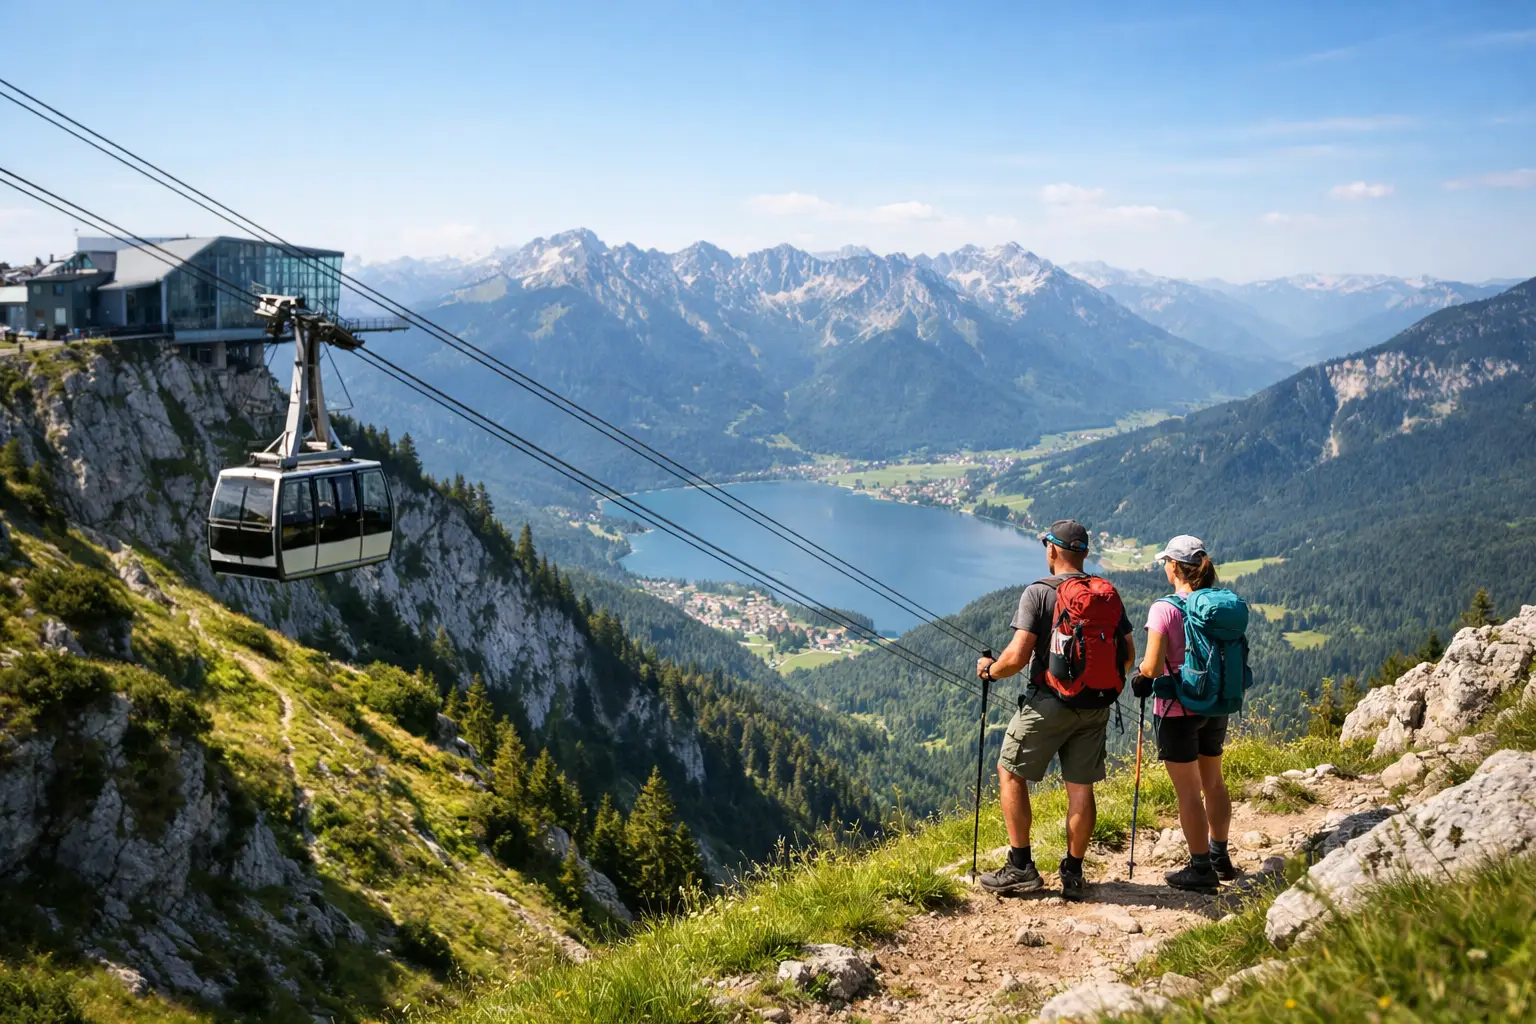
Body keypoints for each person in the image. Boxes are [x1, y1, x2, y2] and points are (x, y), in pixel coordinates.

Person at [977, 519, 1135, 901]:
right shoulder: (1105, 595)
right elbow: (1128, 656)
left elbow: (1017, 657)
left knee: (1010, 771)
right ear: (1084, 553)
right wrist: (1093, 684)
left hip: (1049, 703)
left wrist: (990, 670)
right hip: (1096, 705)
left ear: (1051, 550)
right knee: (1080, 788)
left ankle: (1020, 866)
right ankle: (1074, 873)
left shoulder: (1039, 592)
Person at [1130, 535, 1236, 893]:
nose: (1164, 566)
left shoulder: (1164, 608)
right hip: (1215, 705)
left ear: (1175, 566)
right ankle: (1220, 856)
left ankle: (1200, 868)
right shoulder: (1216, 605)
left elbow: (1152, 665)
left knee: (1188, 792)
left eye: (1166, 562)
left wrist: (1141, 676)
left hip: (1177, 711)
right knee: (1214, 783)